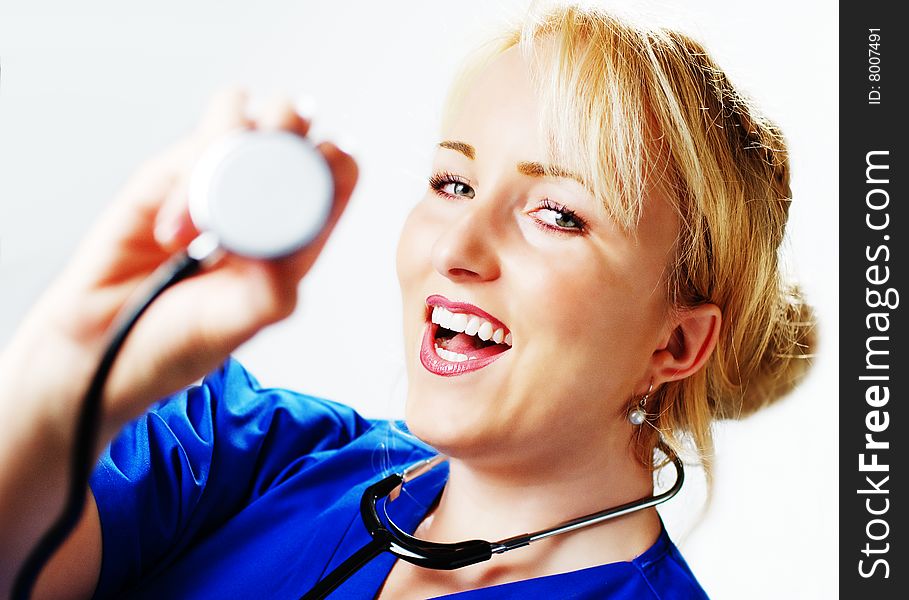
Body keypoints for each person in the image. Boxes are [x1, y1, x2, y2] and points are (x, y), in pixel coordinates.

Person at [0, 3, 815, 598]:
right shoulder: (243, 453)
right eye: (452, 183)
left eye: (558, 213)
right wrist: (63, 378)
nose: (455, 250)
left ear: (674, 344)